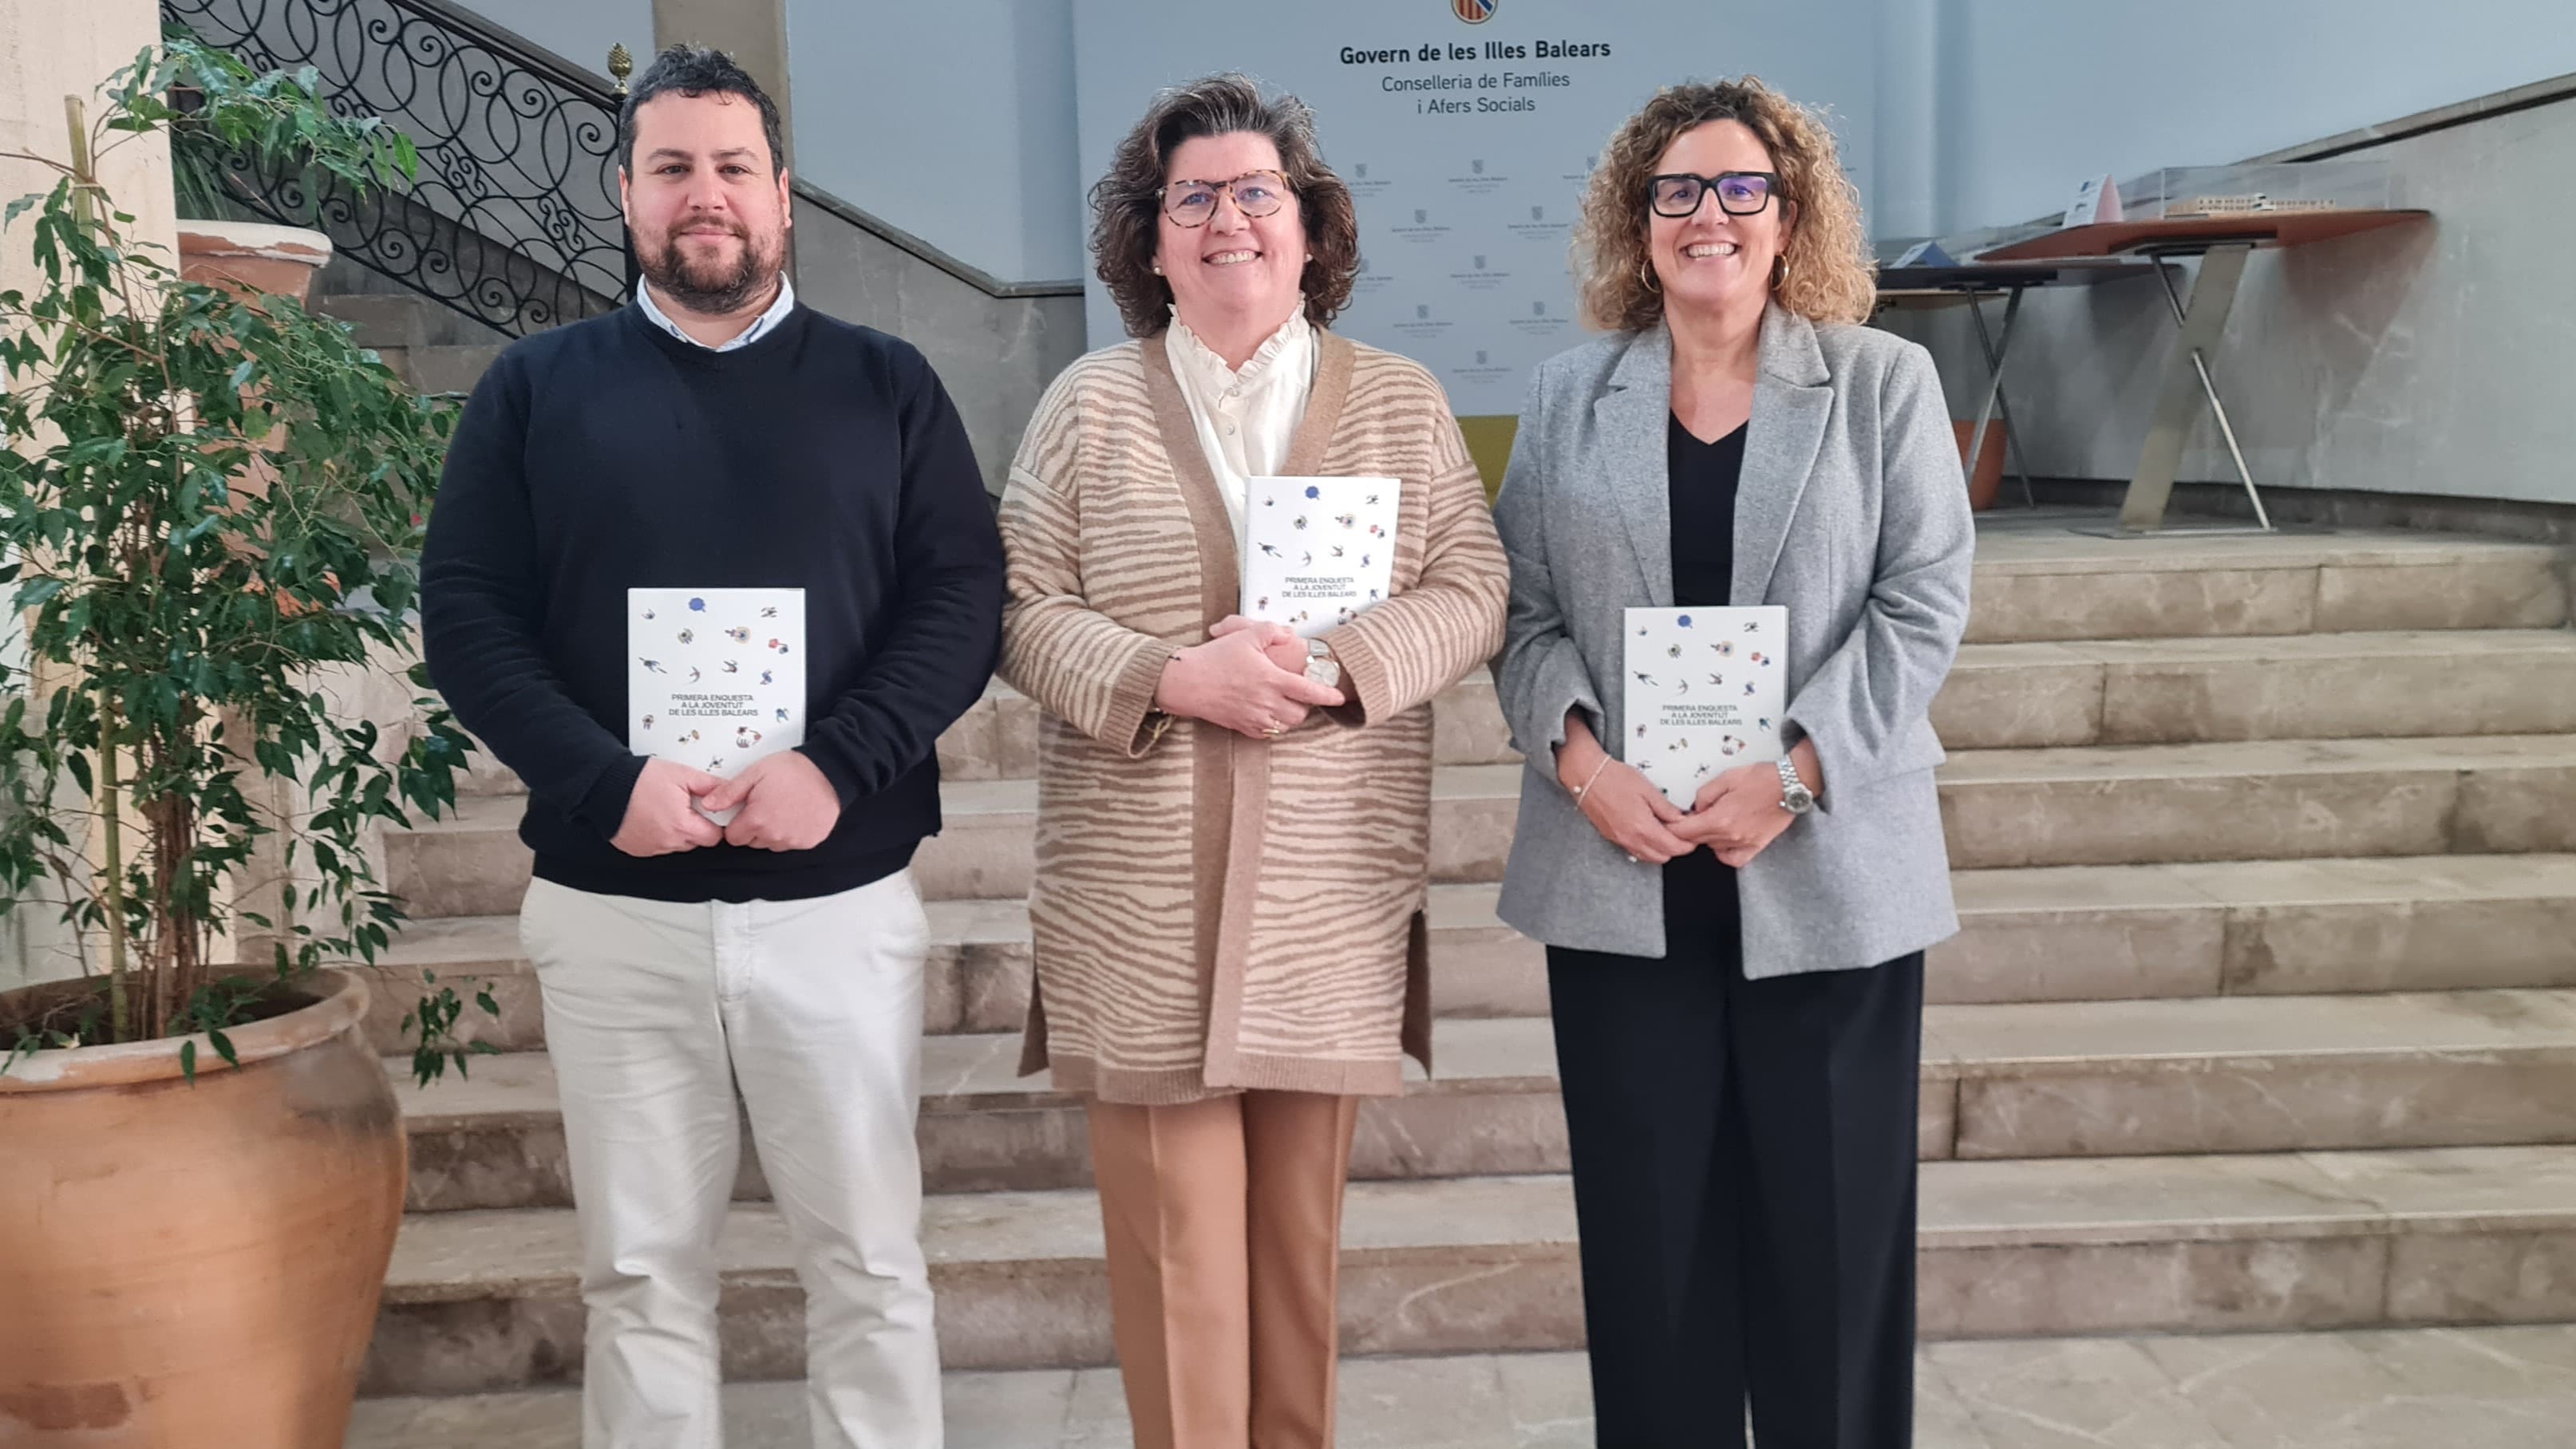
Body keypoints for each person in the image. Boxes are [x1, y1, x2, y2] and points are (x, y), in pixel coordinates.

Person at [419, 44, 1003, 1449]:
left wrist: (837, 765)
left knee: (870, 1266)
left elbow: (960, 601)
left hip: (835, 903)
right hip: (616, 907)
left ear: (784, 195)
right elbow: (469, 616)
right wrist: (601, 780)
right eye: (672, 166)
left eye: (734, 166)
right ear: (625, 191)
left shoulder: (887, 384)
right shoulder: (534, 389)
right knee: (638, 1276)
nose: (706, 194)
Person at [994, 73, 1508, 1449]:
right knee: (1178, 1276)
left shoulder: (1397, 400)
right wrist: (1170, 676)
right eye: (1194, 199)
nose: (1229, 219)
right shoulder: (1089, 406)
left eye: (1257, 192)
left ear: (1310, 225)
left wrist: (1340, 665)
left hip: (1323, 902)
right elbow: (1020, 607)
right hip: (1139, 908)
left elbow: (1474, 585)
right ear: (1152, 241)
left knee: (1294, 1266)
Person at [1491, 77, 1975, 1447]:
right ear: (1638, 221)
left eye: (1742, 187)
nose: (1711, 214)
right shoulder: (1570, 394)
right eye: (1678, 191)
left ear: (1789, 215)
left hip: (1826, 873)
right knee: (1651, 1269)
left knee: (1833, 1263)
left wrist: (1799, 769)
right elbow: (1519, 612)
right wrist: (1583, 766)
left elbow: (1924, 601)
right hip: (1624, 873)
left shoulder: (1881, 384)